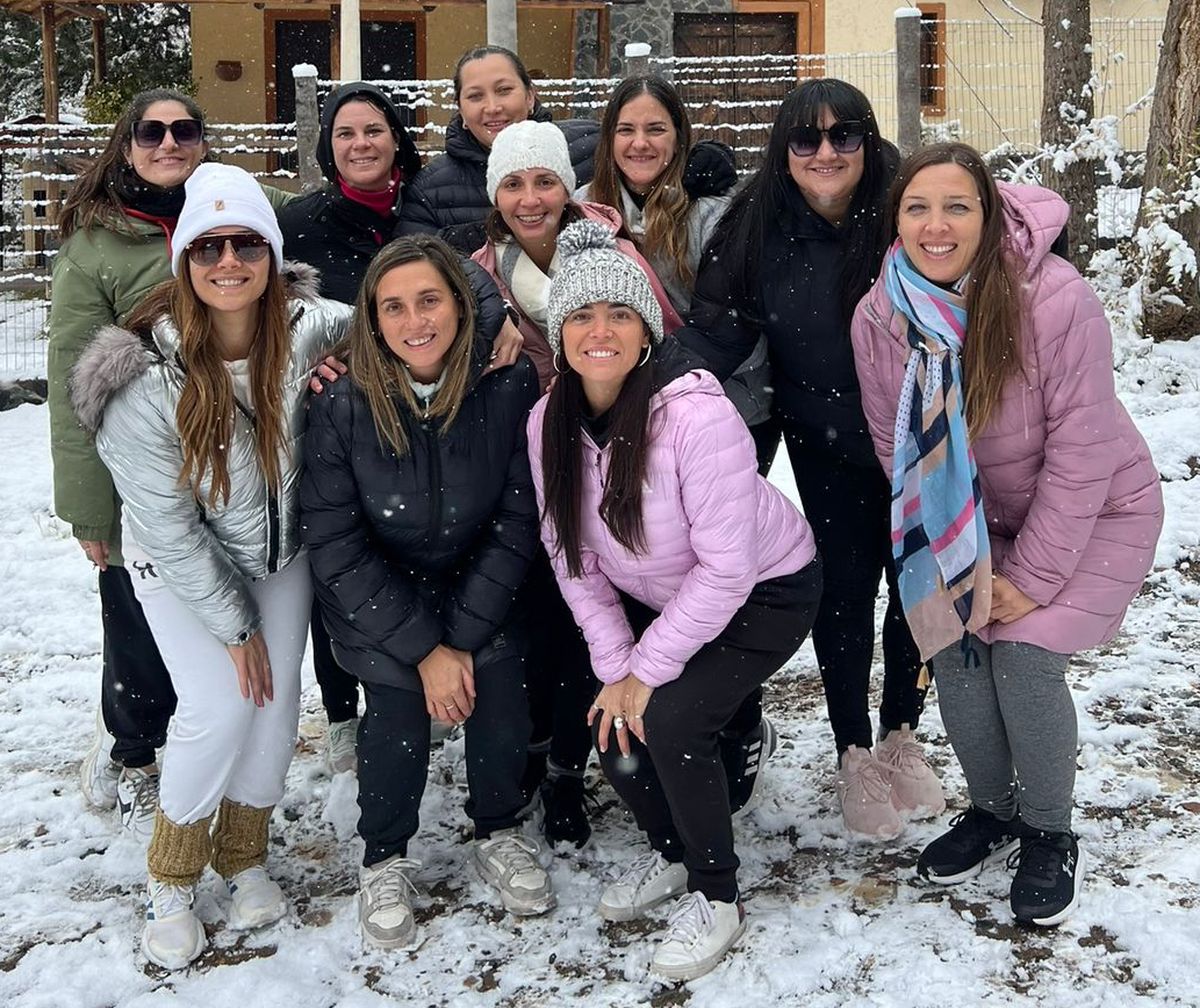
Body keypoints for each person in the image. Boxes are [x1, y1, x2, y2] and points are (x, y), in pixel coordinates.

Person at [850, 142, 1163, 926]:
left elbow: (1083, 453)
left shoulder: (1054, 299)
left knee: (1021, 657)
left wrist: (1033, 578)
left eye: (958, 205)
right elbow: (899, 450)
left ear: (989, 217)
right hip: (972, 524)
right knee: (955, 650)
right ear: (895, 220)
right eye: (918, 207)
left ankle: (1050, 832)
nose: (937, 225)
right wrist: (961, 562)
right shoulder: (881, 315)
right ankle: (992, 812)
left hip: (1094, 512)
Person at [69, 164, 352, 968]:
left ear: (271, 254)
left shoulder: (309, 328)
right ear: (185, 262)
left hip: (280, 552)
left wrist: (496, 321)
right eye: (208, 247)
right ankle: (172, 875)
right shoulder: (142, 376)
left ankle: (244, 853)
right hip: (179, 561)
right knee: (223, 702)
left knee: (276, 703)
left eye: (247, 244)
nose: (228, 261)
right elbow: (163, 520)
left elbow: (408, 318)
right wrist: (235, 627)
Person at [528, 221, 823, 980]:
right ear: (558, 332)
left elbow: (728, 570)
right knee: (618, 736)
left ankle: (716, 894)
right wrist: (615, 664)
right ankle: (673, 853)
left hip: (769, 587)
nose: (601, 331)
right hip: (666, 599)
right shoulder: (545, 422)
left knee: (669, 717)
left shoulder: (696, 414)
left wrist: (647, 670)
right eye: (582, 316)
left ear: (646, 329)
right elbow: (572, 556)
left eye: (620, 315)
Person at [676, 78, 937, 840]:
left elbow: (988, 234)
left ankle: (902, 731)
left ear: (867, 140)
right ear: (783, 148)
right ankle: (854, 748)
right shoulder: (757, 225)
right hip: (825, 443)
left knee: (918, 590)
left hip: (922, 442)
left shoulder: (903, 211)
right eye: (806, 139)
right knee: (846, 595)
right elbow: (714, 331)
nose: (826, 153)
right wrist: (637, 385)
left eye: (844, 135)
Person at [48, 88, 290, 838]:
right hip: (142, 468)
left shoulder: (229, 214)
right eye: (151, 132)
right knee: (136, 625)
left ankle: (207, 753)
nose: (168, 142)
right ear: (127, 145)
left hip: (235, 469)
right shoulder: (100, 244)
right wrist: (91, 505)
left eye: (184, 129)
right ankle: (133, 752)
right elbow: (72, 378)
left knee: (208, 632)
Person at [300, 234, 548, 950]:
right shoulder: (343, 404)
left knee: (500, 688)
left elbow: (516, 515)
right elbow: (336, 539)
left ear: (462, 307)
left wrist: (462, 639)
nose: (416, 321)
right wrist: (422, 646)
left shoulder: (505, 385)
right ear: (373, 320)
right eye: (395, 306)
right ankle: (385, 853)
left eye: (431, 300)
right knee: (398, 709)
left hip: (481, 583)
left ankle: (497, 827)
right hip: (385, 593)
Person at [277, 81, 523, 774]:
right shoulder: (302, 222)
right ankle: (342, 711)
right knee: (341, 545)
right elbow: (282, 311)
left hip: (428, 395)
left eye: (374, 131)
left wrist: (494, 322)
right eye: (346, 133)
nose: (361, 144)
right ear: (328, 146)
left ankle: (425, 677)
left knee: (424, 534)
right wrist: (322, 364)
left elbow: (459, 282)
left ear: (396, 139)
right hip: (337, 404)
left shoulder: (417, 209)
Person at [470, 117, 680, 845]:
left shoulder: (616, 253)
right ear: (495, 192)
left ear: (568, 186)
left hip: (609, 458)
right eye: (514, 182)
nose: (531, 198)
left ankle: (568, 764)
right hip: (524, 465)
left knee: (590, 621)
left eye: (545, 180)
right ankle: (532, 752)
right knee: (537, 617)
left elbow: (660, 340)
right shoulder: (479, 271)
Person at [397, 45, 736, 255]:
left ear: (530, 96)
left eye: (504, 90)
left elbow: (640, 150)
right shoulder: (431, 187)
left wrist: (704, 160)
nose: (492, 107)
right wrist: (490, 232)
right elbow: (418, 265)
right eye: (475, 96)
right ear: (459, 106)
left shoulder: (586, 144)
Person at [578, 75, 771, 438]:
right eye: (626, 130)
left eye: (655, 129)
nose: (640, 143)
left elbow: (731, 329)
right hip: (618, 403)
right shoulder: (582, 209)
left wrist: (652, 383)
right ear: (609, 139)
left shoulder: (713, 213)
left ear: (680, 137)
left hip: (724, 403)